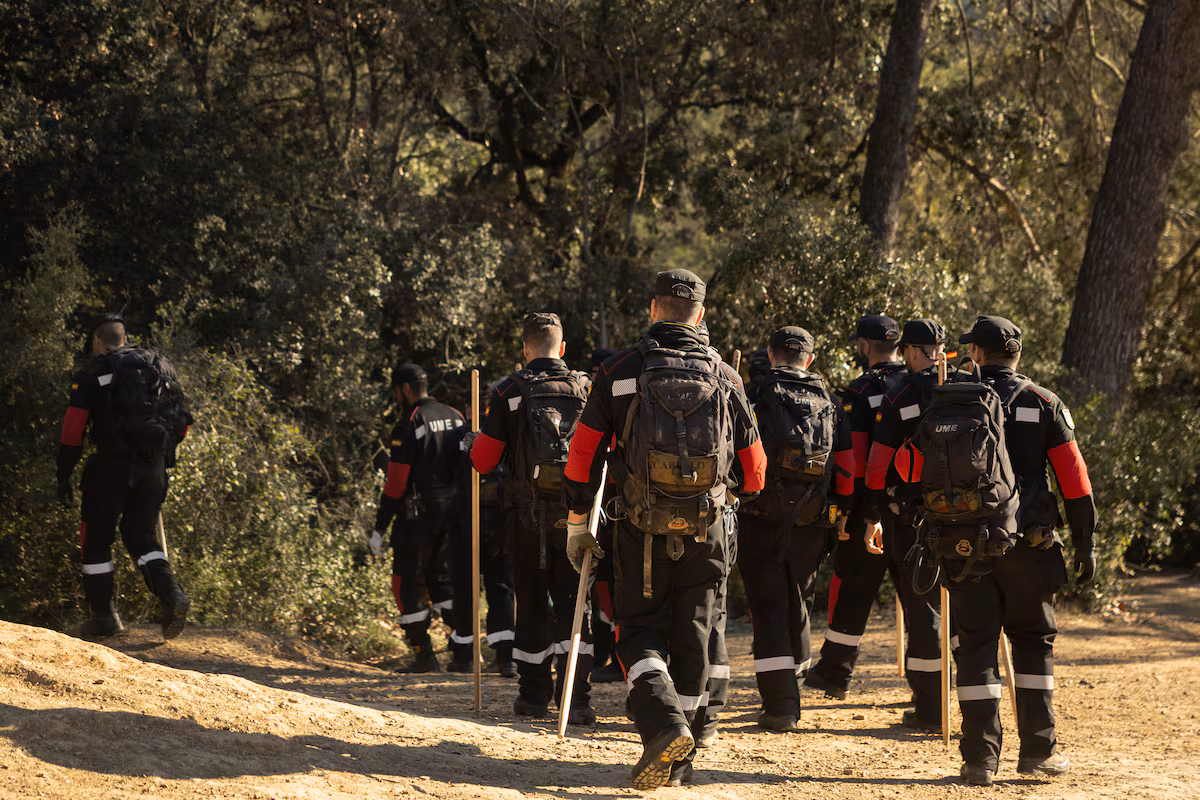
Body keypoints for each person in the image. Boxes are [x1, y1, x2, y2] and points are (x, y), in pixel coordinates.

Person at [561, 269, 767, 789]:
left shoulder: (621, 371)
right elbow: (758, 474)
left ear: (653, 309)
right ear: (701, 315)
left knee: (637, 631)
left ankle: (664, 726)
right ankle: (681, 761)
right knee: (696, 634)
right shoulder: (726, 376)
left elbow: (580, 459)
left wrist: (576, 525)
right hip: (708, 530)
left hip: (639, 531)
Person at [946, 316, 1097, 786]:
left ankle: (979, 761)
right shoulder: (1044, 403)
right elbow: (1075, 483)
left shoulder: (950, 400)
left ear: (976, 354)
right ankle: (1038, 751)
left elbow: (914, 471)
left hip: (965, 544)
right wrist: (1085, 542)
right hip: (1030, 545)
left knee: (974, 648)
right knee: (1032, 643)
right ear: (1018, 355)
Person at [470, 313, 597, 724]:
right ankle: (576, 700)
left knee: (532, 604)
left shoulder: (510, 390)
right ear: (562, 348)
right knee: (576, 603)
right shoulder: (587, 388)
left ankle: (533, 697)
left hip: (527, 519)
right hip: (578, 515)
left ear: (526, 348)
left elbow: (484, 460)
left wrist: (472, 443)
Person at [738, 326, 855, 731]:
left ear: (771, 354)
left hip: (758, 516)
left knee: (767, 607)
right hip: (812, 519)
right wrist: (839, 516)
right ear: (810, 359)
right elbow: (847, 469)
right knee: (798, 598)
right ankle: (795, 683)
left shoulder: (751, 395)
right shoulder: (830, 402)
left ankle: (780, 706)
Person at [56, 314, 193, 640]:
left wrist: (64, 472)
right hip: (154, 466)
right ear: (125, 337)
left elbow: (73, 428)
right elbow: (184, 424)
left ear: (97, 342)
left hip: (109, 466)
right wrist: (157, 453)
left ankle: (105, 618)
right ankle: (172, 595)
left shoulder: (94, 369)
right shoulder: (161, 368)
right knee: (141, 535)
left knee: (96, 541)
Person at [805, 314, 907, 700]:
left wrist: (848, 509)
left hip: (868, 506)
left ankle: (835, 671)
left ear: (865, 347)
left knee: (850, 586)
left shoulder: (861, 390)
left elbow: (857, 456)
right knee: (919, 596)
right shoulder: (916, 386)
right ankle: (929, 687)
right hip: (916, 507)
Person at [859, 319, 950, 731]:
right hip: (973, 521)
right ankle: (977, 708)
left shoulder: (902, 395)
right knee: (973, 615)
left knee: (924, 613)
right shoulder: (972, 387)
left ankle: (931, 710)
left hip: (913, 523)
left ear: (911, 351)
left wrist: (873, 515)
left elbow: (877, 469)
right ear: (942, 348)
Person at [370, 363, 465, 673]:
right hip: (454, 511)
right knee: (442, 581)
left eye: (395, 391)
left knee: (406, 583)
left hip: (418, 515)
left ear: (405, 389)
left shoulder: (410, 421)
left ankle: (424, 656)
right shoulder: (455, 416)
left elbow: (396, 484)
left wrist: (379, 529)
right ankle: (464, 650)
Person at [446, 379, 517, 677]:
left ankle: (466, 655)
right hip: (499, 524)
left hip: (470, 523)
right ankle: (503, 657)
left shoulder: (461, 436)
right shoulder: (508, 433)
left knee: (466, 588)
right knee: (500, 587)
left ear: (468, 406)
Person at [586, 348, 624, 684]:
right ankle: (603, 651)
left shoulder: (619, 399)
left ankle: (616, 654)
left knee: (613, 586)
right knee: (601, 585)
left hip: (617, 509)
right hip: (604, 509)